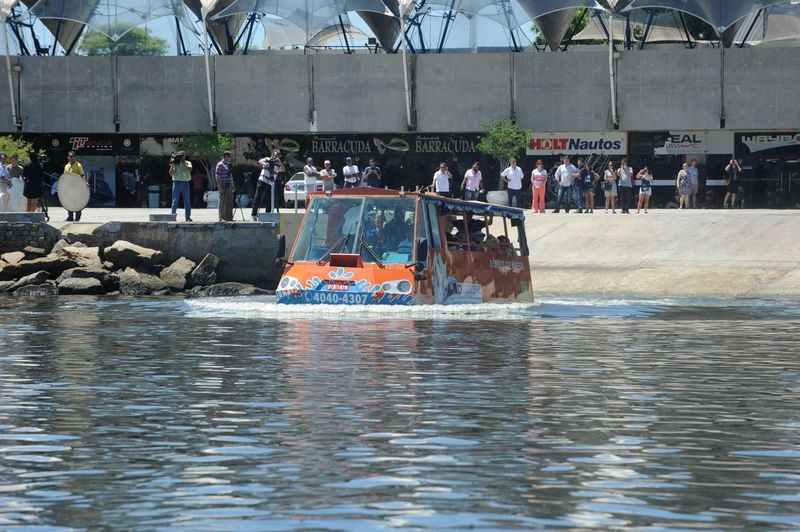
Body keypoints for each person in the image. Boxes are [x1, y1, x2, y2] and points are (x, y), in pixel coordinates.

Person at [252, 150, 280, 219]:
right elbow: (259, 161)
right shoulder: (267, 159)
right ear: (272, 154)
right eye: (274, 155)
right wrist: (265, 164)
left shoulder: (278, 163)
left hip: (270, 182)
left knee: (269, 199)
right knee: (257, 197)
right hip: (262, 180)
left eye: (277, 156)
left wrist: (278, 161)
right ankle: (253, 214)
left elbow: (283, 169)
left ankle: (268, 214)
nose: (275, 157)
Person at [169, 151, 193, 222]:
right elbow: (170, 174)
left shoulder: (188, 162)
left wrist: (183, 164)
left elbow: (190, 169)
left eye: (184, 155)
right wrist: (172, 165)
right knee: (175, 200)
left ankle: (187, 216)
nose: (183, 157)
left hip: (185, 183)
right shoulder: (175, 163)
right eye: (182, 156)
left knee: (187, 201)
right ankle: (173, 216)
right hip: (176, 183)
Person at [63, 151, 87, 221]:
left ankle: (77, 217)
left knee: (77, 203)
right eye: (70, 156)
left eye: (73, 156)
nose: (72, 158)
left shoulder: (78, 165)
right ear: (68, 157)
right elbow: (65, 177)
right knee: (69, 202)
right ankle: (70, 216)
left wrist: (85, 183)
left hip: (77, 187)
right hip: (69, 187)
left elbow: (82, 175)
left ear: (75, 157)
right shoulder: (66, 166)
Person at [214, 150, 235, 222]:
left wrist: (233, 185)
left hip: (229, 186)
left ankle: (229, 217)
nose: (230, 158)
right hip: (223, 186)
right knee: (222, 201)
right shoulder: (220, 164)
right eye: (230, 156)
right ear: (226, 156)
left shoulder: (228, 164)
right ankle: (222, 217)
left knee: (230, 202)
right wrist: (219, 186)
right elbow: (217, 175)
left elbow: (230, 176)